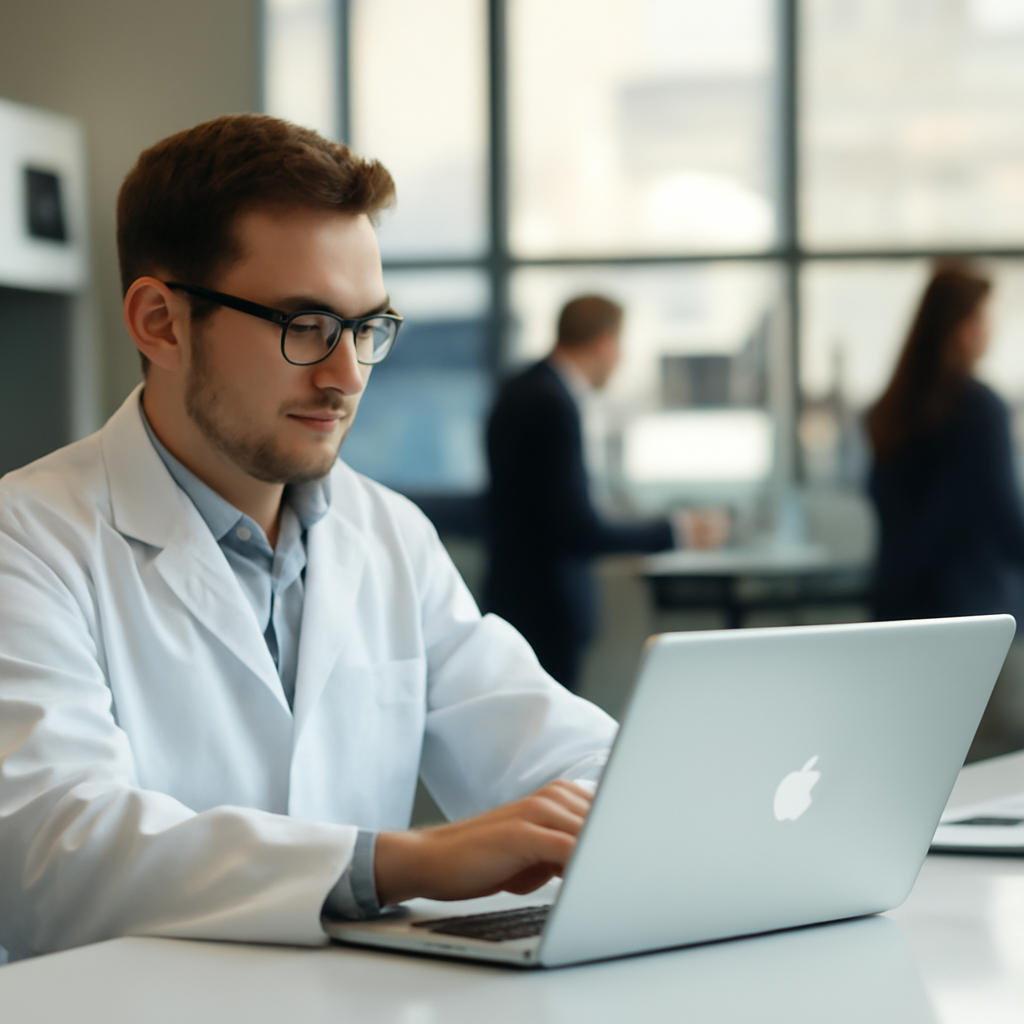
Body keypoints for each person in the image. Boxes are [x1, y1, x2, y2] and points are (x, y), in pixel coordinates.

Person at [0, 115, 618, 961]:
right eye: (306, 325)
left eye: (366, 327)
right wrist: (403, 862)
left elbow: (552, 744)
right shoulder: (28, 539)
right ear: (161, 322)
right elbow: (54, 850)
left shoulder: (388, 533)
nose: (347, 374)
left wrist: (644, 804)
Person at [484, 296, 726, 692]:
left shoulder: (522, 388)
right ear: (605, 342)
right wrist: (675, 531)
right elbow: (575, 527)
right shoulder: (552, 403)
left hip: (519, 601)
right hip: (546, 610)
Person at [867, 261, 1024, 758]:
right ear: (962, 327)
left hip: (902, 620)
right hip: (977, 620)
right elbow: (1006, 523)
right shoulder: (981, 409)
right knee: (985, 768)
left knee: (916, 761)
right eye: (983, 317)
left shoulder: (890, 410)